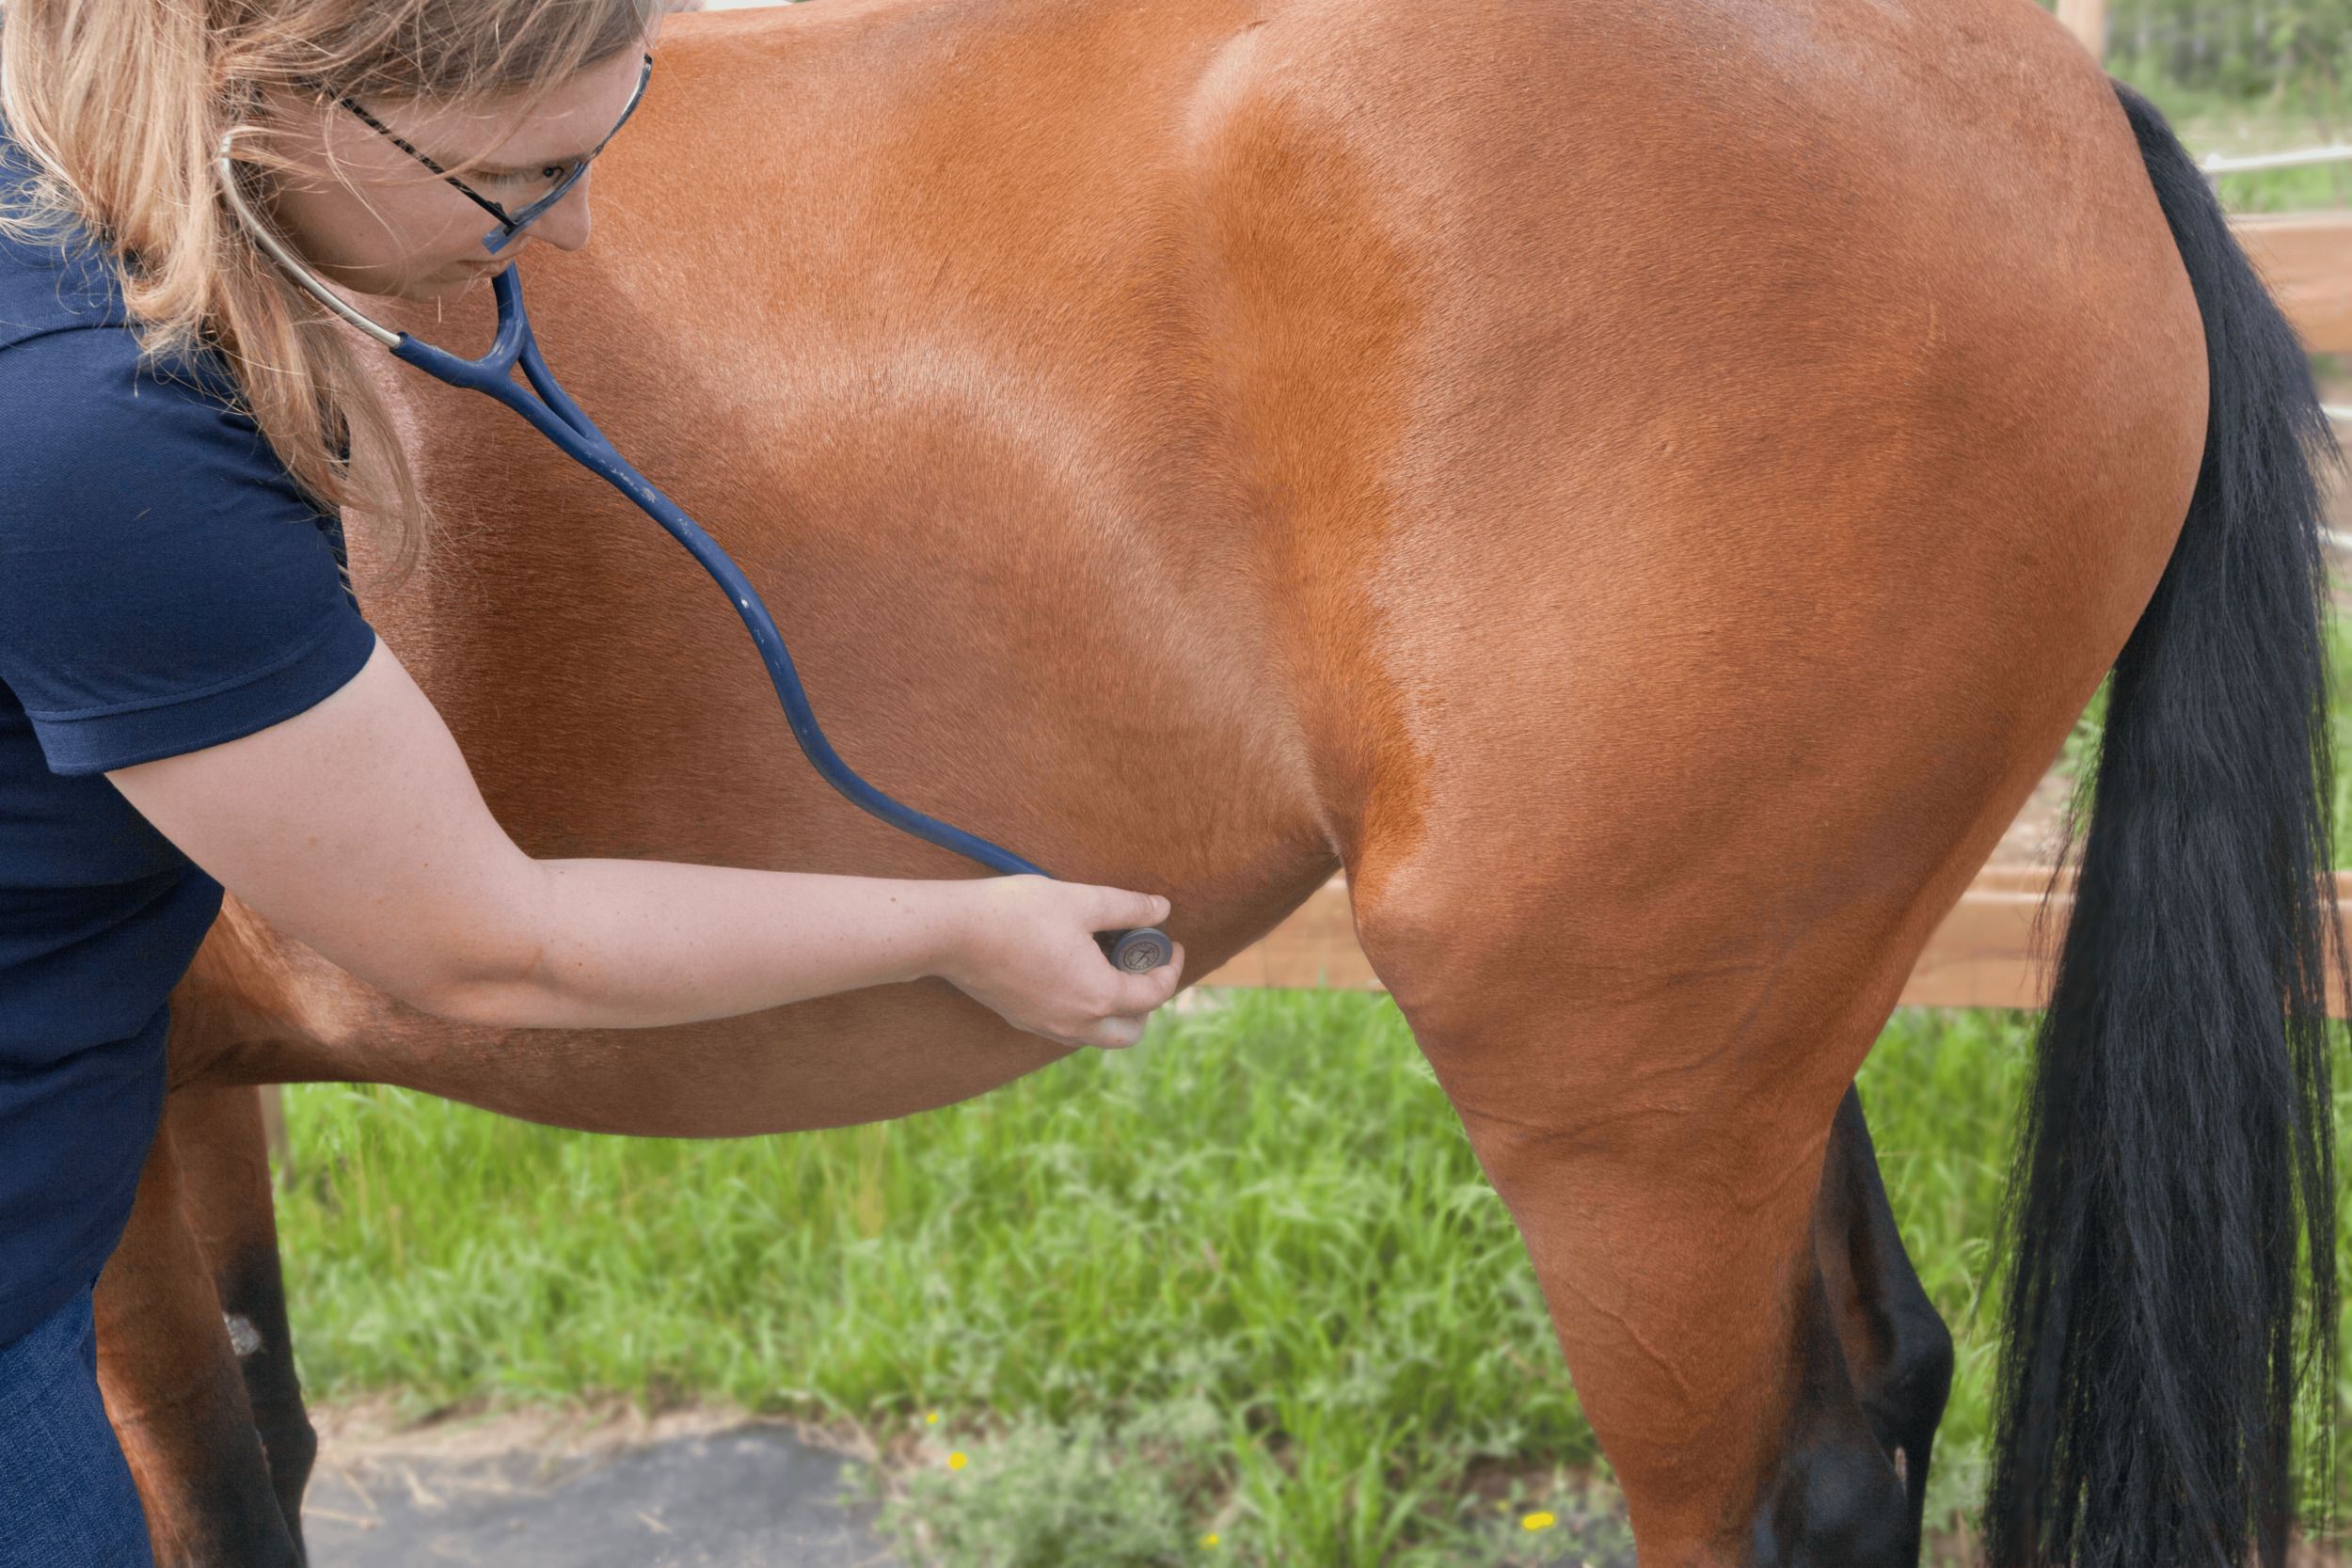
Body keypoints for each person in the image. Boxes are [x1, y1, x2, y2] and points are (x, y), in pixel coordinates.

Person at [0, 2, 1184, 1560]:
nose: (557, 240)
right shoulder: (104, 447)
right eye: (520, 179)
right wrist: (957, 931)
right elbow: (490, 938)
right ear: (278, 107)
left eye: (595, 146)